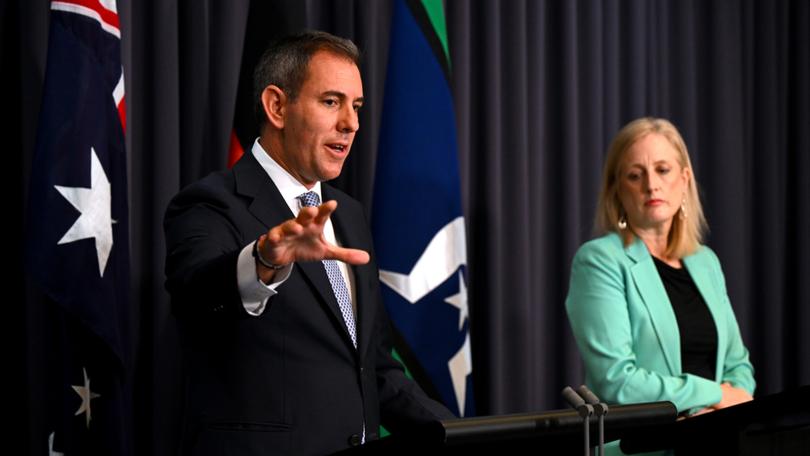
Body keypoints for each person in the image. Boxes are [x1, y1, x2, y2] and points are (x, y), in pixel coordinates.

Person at [164, 31, 454, 456]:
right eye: (331, 102)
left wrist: (466, 435)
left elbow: (371, 367)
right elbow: (196, 294)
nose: (351, 123)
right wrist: (264, 259)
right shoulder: (211, 202)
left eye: (356, 107)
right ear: (277, 106)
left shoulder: (348, 215)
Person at [565, 117, 755, 452]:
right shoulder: (599, 260)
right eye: (635, 175)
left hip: (716, 442)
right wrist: (715, 396)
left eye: (663, 170)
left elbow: (738, 366)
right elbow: (617, 381)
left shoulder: (705, 262)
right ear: (617, 190)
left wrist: (724, 407)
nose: (651, 185)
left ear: (684, 180)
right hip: (640, 447)